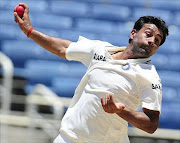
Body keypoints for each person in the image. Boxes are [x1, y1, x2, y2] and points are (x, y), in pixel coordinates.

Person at [14, 3, 169, 143]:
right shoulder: (100, 49)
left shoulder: (150, 76)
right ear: (133, 33)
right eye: (148, 34)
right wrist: (29, 30)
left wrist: (121, 111)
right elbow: (62, 48)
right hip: (68, 137)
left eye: (157, 41)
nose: (152, 42)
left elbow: (151, 124)